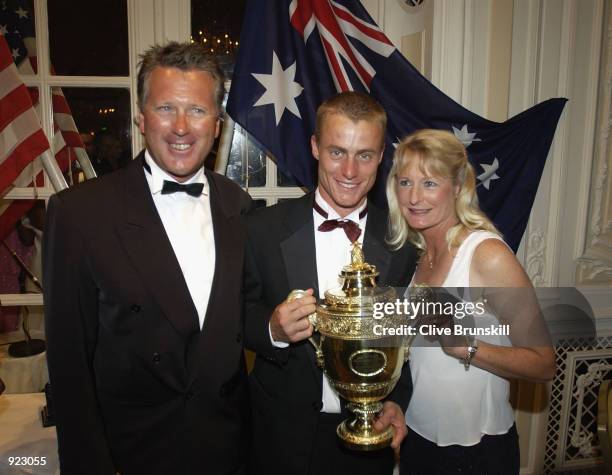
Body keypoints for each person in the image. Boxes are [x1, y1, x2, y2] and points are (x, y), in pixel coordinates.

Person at [43, 42, 252, 475]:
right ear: (141, 118)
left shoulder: (239, 205)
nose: (181, 127)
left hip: (226, 453)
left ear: (217, 124)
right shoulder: (80, 214)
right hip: (133, 456)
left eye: (196, 111)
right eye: (165, 109)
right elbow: (70, 371)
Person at [244, 91, 418, 475]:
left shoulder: (403, 242)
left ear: (381, 156)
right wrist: (271, 328)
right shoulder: (261, 229)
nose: (350, 171)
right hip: (281, 435)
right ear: (315, 147)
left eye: (365, 155)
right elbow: (236, 316)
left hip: (369, 437)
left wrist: (398, 401)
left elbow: (407, 340)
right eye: (338, 152)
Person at [385, 129, 555, 474]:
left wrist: (467, 347)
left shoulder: (486, 255)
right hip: (418, 440)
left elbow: (544, 364)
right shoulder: (418, 256)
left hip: (476, 453)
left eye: (430, 183)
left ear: (459, 185)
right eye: (405, 182)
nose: (414, 197)